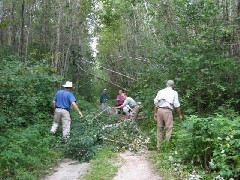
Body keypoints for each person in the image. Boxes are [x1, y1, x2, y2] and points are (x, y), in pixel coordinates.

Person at [154, 80, 183, 150]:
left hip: (159, 110)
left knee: (159, 128)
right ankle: (166, 147)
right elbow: (177, 105)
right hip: (167, 110)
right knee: (169, 128)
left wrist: (155, 113)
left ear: (166, 84)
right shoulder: (174, 93)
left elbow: (156, 103)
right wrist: (180, 115)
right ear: (173, 86)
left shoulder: (160, 91)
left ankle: (159, 147)